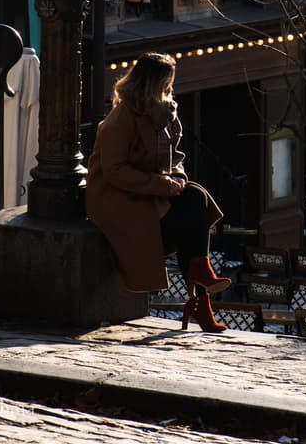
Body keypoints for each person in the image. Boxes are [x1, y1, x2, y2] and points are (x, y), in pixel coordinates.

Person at [85, 51, 231, 332]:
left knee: (194, 197)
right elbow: (115, 171)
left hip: (148, 189)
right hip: (116, 196)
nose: (170, 88)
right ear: (152, 84)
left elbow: (176, 157)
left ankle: (200, 284)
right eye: (167, 82)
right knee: (191, 218)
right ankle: (201, 296)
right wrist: (163, 184)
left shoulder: (164, 113)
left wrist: (176, 178)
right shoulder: (122, 118)